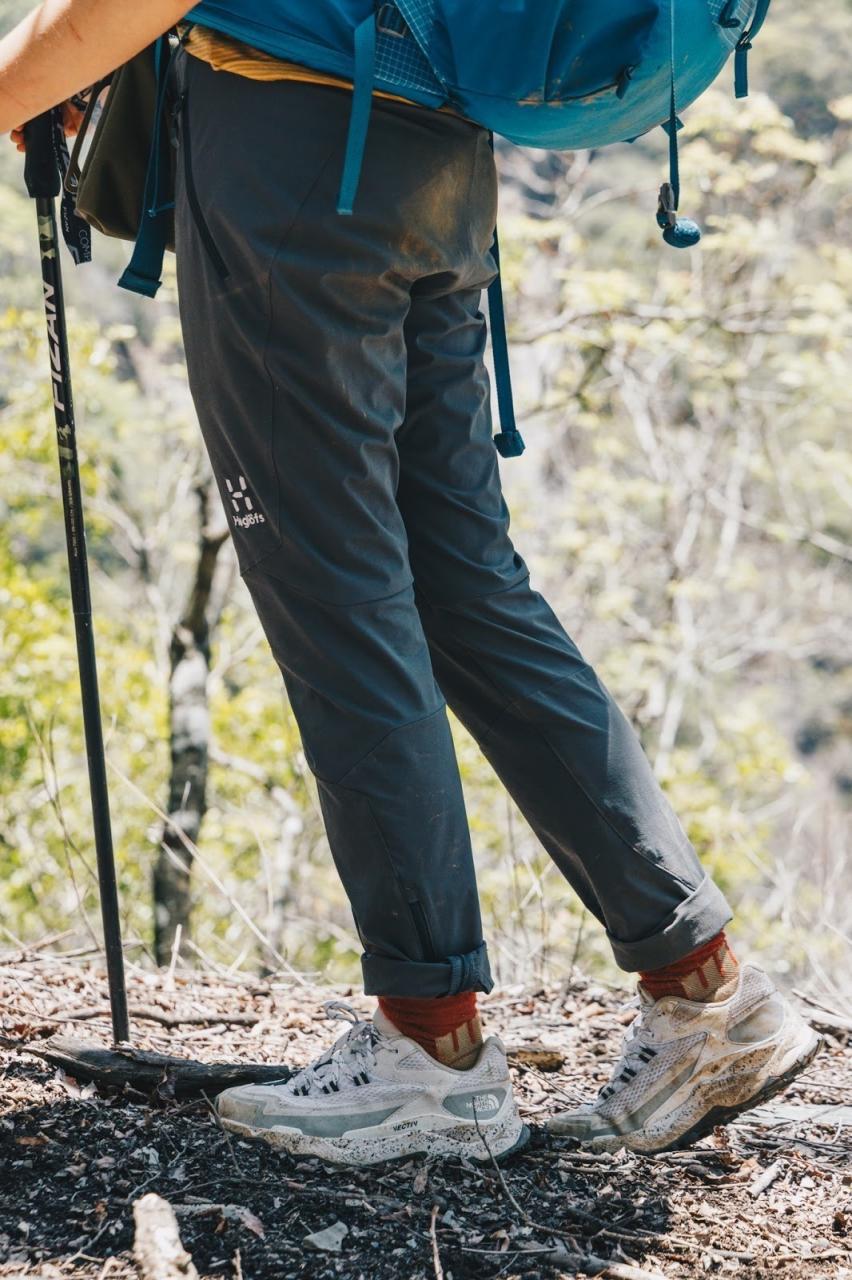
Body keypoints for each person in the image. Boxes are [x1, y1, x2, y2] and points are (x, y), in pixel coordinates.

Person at [1, 0, 820, 1166]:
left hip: (295, 168)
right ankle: (706, 989)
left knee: (340, 597)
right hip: (432, 156)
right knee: (463, 584)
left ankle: (429, 1049)